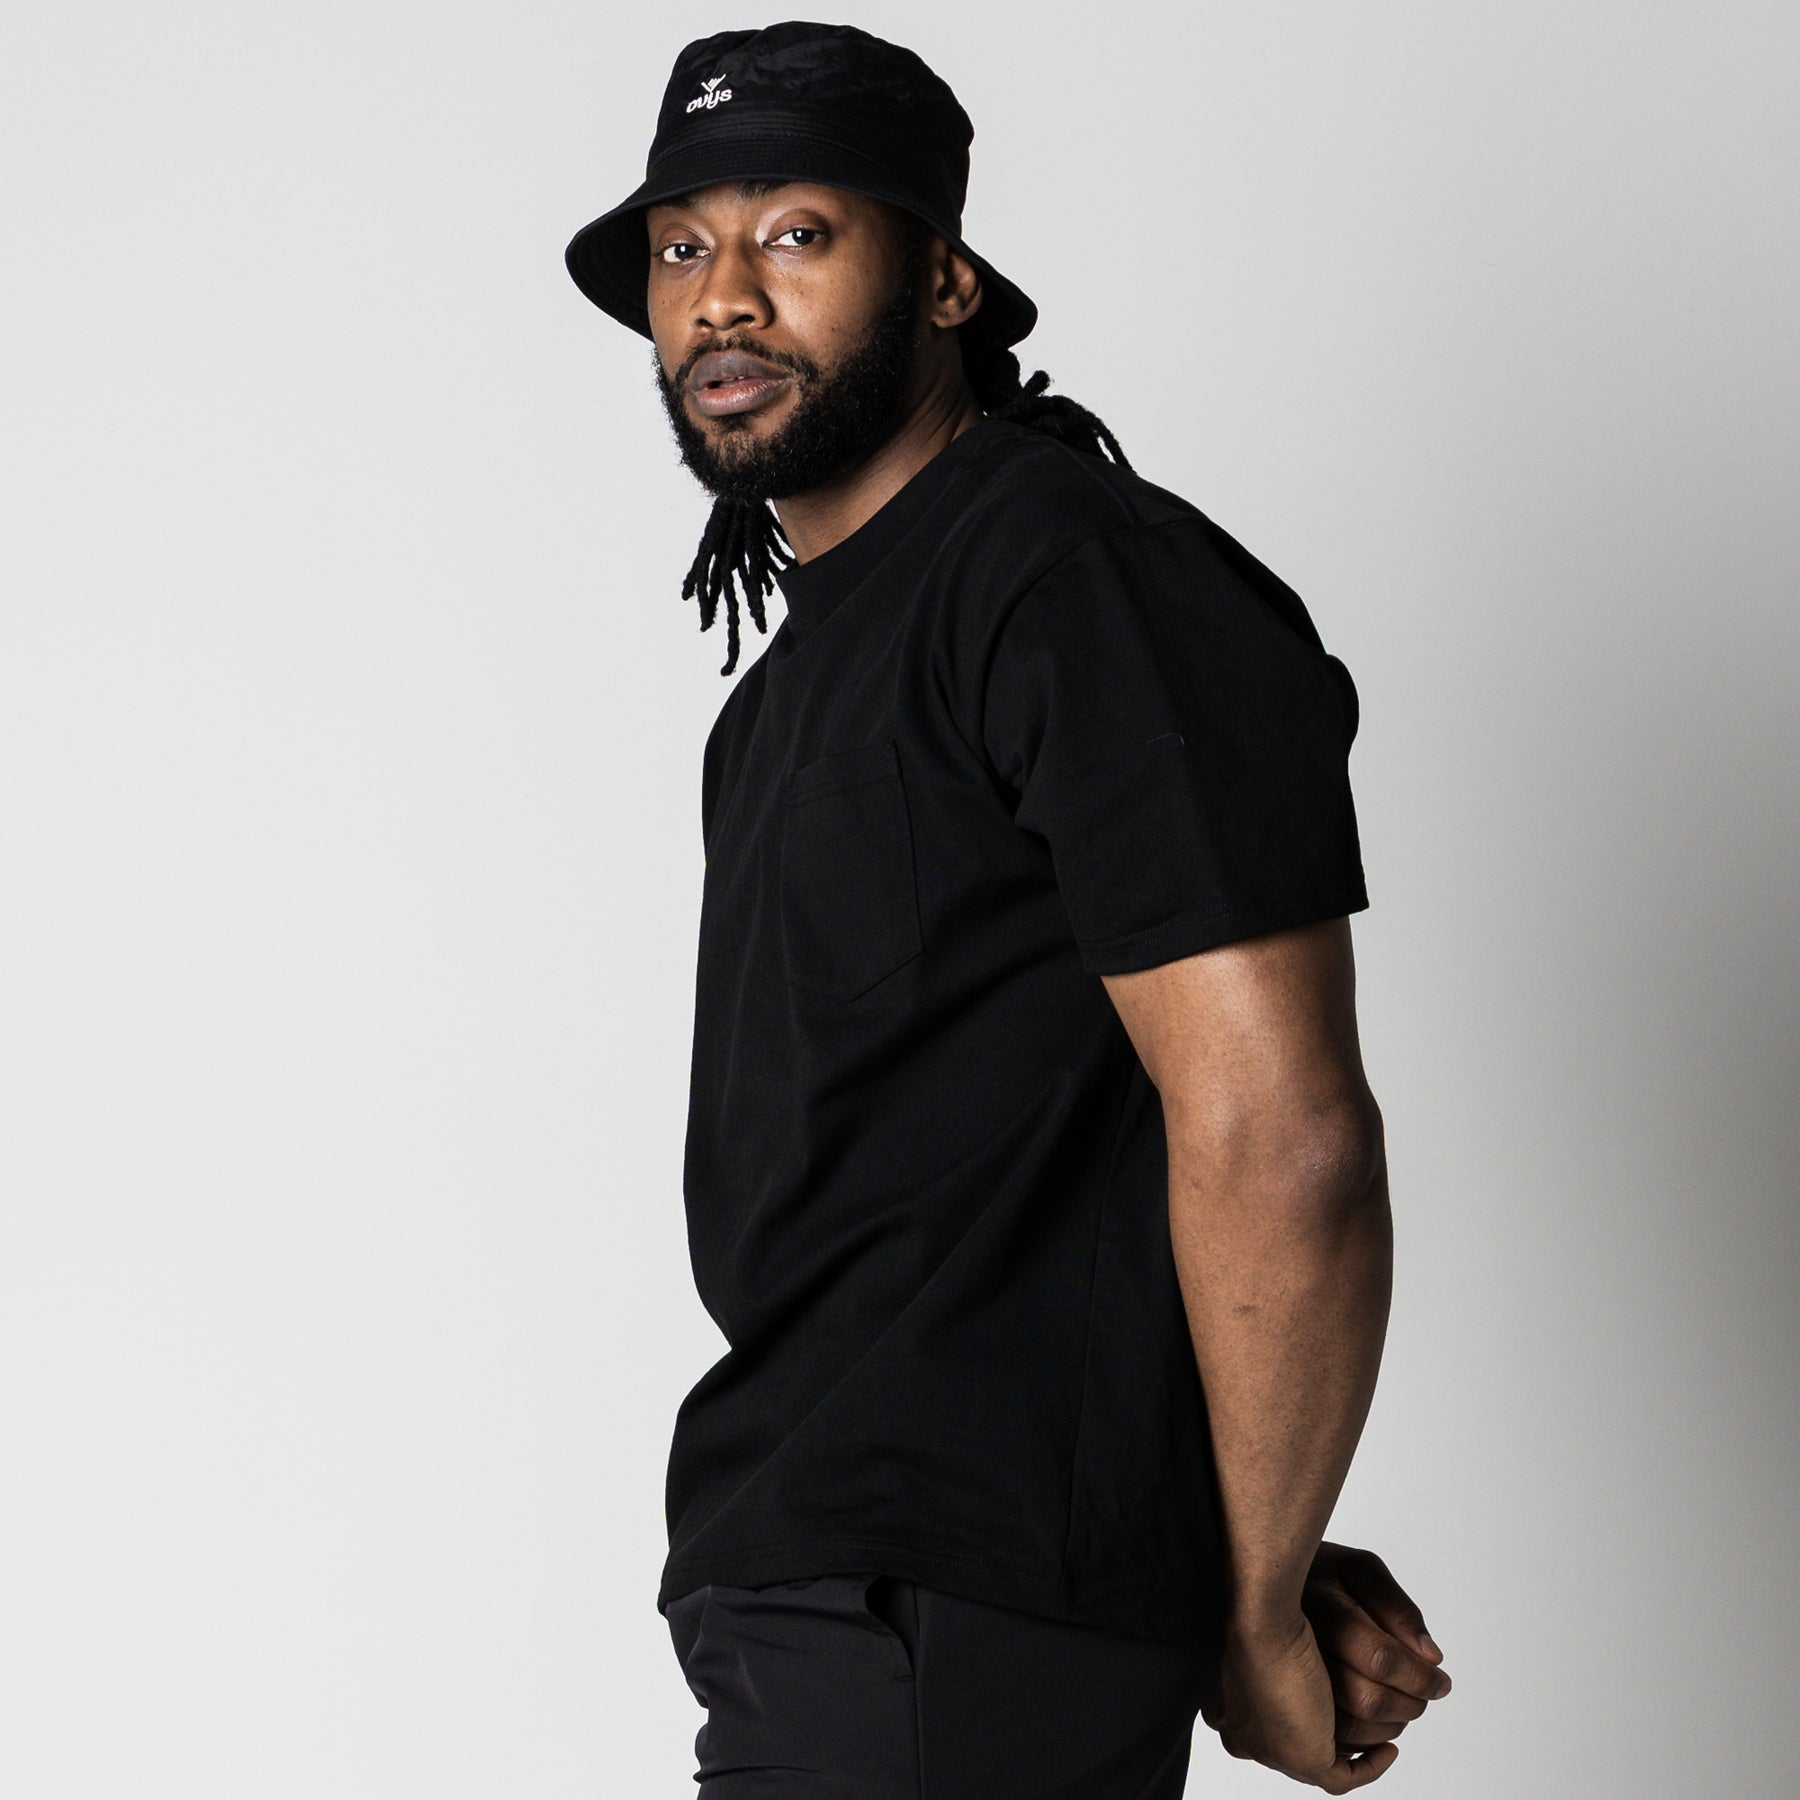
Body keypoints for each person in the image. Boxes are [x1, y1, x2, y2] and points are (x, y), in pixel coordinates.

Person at [565, 21, 1452, 1797]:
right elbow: (981, 1186)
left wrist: (1249, 1602)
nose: (721, 296)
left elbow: (1281, 1135)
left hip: (940, 1614)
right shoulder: (782, 699)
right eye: (679, 247)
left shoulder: (1071, 577)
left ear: (947, 283)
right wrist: (1220, 1555)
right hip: (831, 1590)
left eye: (796, 233)